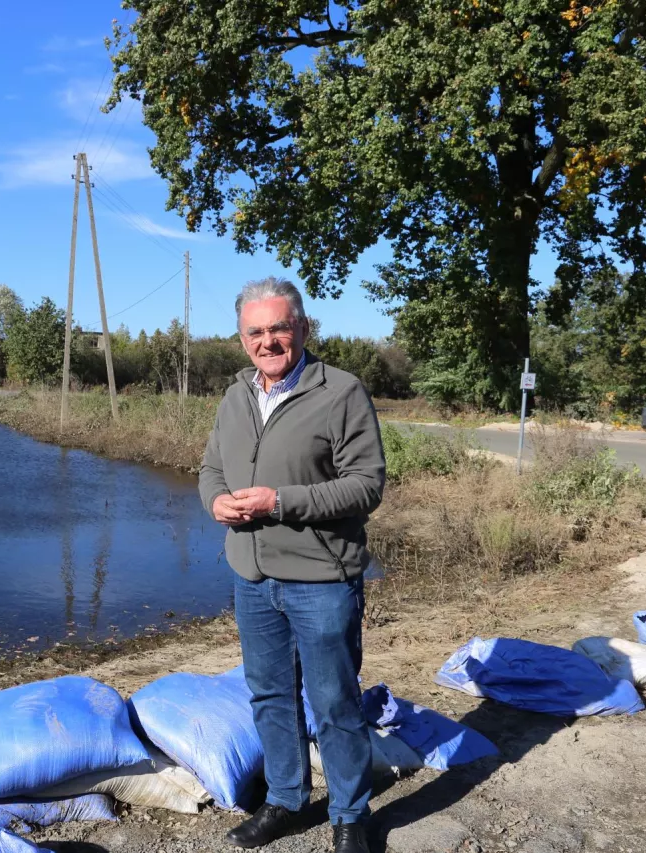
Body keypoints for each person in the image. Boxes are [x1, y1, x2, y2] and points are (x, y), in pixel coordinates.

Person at [199, 277, 386, 853]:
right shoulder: (235, 396)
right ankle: (285, 801)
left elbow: (367, 486)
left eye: (280, 327)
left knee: (334, 701)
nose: (269, 340)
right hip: (251, 576)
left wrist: (281, 501)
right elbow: (211, 468)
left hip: (322, 578)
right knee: (270, 695)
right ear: (241, 338)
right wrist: (215, 500)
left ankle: (351, 813)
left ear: (303, 327)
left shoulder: (342, 391)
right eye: (256, 331)